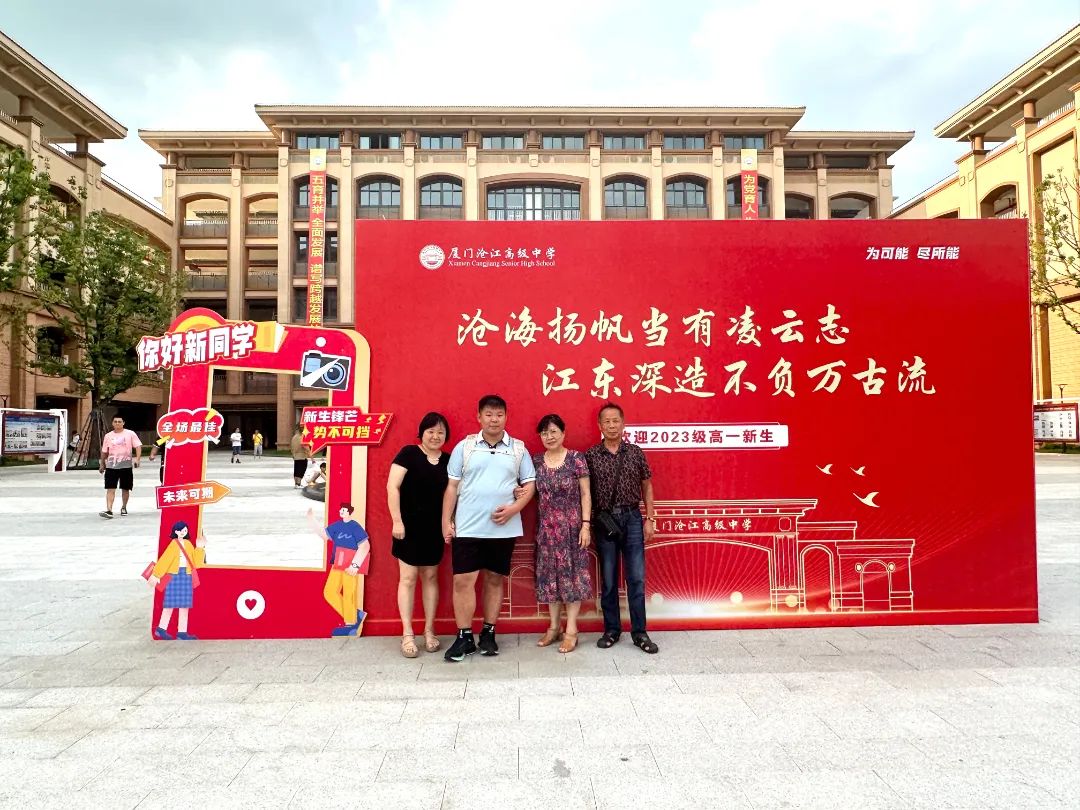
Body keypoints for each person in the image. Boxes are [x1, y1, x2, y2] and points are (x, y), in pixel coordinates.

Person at [441, 395, 536, 662]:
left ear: (506, 417)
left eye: (499, 415)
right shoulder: (465, 447)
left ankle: (488, 633)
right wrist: (446, 521)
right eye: (489, 414)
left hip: (503, 528)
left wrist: (514, 509)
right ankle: (464, 637)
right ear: (479, 417)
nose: (494, 420)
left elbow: (530, 485)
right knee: (463, 580)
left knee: (495, 579)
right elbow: (451, 487)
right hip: (468, 527)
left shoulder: (518, 449)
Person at [585, 402, 659, 654]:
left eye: (616, 420)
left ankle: (639, 632)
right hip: (605, 522)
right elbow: (585, 492)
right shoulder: (591, 455)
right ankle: (612, 630)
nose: (612, 425)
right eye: (606, 421)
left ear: (623, 423)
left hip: (633, 518)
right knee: (608, 580)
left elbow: (647, 485)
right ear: (599, 425)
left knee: (636, 578)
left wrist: (650, 518)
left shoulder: (635, 452)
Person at [387, 412, 450, 658]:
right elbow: (392, 487)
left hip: (434, 528)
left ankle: (429, 631)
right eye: (431, 431)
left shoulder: (448, 460)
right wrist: (397, 521)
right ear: (422, 433)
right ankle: (407, 634)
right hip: (407, 527)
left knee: (431, 576)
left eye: (440, 432)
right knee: (408, 578)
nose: (435, 436)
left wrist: (449, 522)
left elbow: (453, 493)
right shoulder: (409, 454)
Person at [529, 414, 592, 654]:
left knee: (572, 578)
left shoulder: (576, 459)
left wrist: (585, 525)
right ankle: (554, 627)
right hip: (546, 531)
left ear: (563, 433)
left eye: (554, 431)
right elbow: (528, 491)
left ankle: (572, 630)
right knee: (550, 579)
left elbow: (586, 494)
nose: (549, 436)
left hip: (572, 529)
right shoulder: (536, 462)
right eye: (544, 433)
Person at [310, 503, 369, 636]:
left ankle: (351, 625)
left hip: (350, 565)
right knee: (329, 592)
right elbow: (324, 535)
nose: (341, 511)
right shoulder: (337, 525)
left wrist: (355, 565)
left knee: (349, 594)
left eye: (344, 510)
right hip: (337, 563)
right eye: (341, 509)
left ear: (349, 512)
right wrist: (312, 520)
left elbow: (365, 546)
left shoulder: (355, 526)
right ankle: (355, 615)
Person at [147, 521, 206, 640]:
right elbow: (165, 560)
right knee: (170, 604)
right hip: (174, 575)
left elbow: (196, 562)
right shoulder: (174, 544)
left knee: (185, 605)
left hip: (186, 575)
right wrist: (156, 574)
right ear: (176, 532)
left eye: (185, 530)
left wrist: (199, 547)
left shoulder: (188, 544)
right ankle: (161, 629)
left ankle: (182, 632)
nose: (183, 532)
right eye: (181, 530)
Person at [99, 415, 142, 518]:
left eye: (119, 421)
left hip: (126, 466)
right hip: (111, 466)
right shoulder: (108, 436)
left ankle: (124, 507)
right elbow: (104, 451)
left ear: (123, 423)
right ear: (112, 423)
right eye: (115, 421)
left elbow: (138, 446)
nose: (117, 423)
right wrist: (102, 463)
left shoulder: (130, 433)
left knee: (125, 488)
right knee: (110, 488)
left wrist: (137, 459)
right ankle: (109, 510)